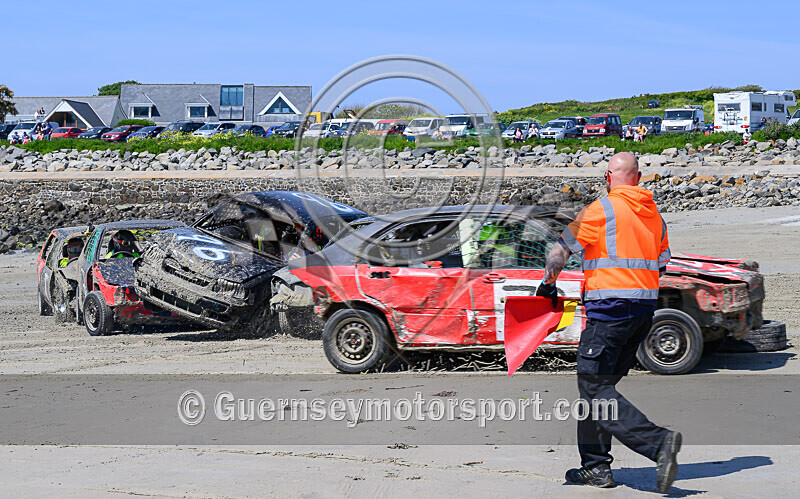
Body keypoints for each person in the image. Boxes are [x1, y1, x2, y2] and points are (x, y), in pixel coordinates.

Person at [537, 152, 680, 492]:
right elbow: (661, 267)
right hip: (642, 316)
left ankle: (658, 443)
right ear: (639, 177)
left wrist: (548, 284)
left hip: (608, 314)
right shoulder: (655, 217)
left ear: (607, 178)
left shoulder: (600, 210)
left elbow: (559, 253)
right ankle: (596, 467)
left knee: (594, 389)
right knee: (598, 391)